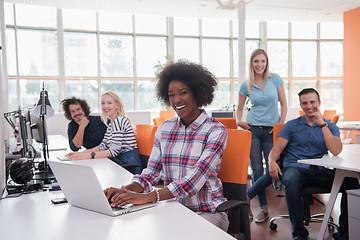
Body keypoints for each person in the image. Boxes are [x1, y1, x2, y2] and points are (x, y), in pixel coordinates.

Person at [104, 60, 229, 231]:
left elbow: (193, 181)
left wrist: (149, 197)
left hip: (208, 212)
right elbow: (151, 173)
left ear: (197, 93)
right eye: (171, 95)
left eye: (183, 93)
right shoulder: (165, 129)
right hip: (173, 209)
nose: (176, 100)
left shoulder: (215, 130)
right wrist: (124, 191)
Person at [269, 88, 359, 240]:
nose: (309, 106)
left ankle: (344, 232)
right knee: (292, 179)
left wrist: (322, 124)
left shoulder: (330, 126)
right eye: (305, 103)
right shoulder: (291, 126)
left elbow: (336, 150)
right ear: (301, 105)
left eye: (312, 102)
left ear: (319, 103)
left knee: (351, 183)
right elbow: (276, 150)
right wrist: (271, 161)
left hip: (318, 170)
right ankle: (299, 234)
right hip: (295, 168)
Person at [236, 48, 287, 223]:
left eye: (262, 61)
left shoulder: (275, 79)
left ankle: (247, 196)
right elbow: (240, 108)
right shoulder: (246, 84)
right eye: (256, 61)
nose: (260, 64)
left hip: (271, 130)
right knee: (257, 169)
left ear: (267, 63)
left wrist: (280, 125)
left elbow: (284, 105)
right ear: (252, 63)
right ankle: (263, 209)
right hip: (253, 129)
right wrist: (239, 121)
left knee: (272, 169)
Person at [66, 91, 142, 174]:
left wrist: (87, 155)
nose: (105, 106)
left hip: (129, 166)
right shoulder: (111, 124)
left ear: (117, 105)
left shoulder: (119, 121)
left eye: (109, 103)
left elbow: (113, 151)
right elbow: (103, 146)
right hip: (121, 163)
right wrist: (80, 154)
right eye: (103, 103)